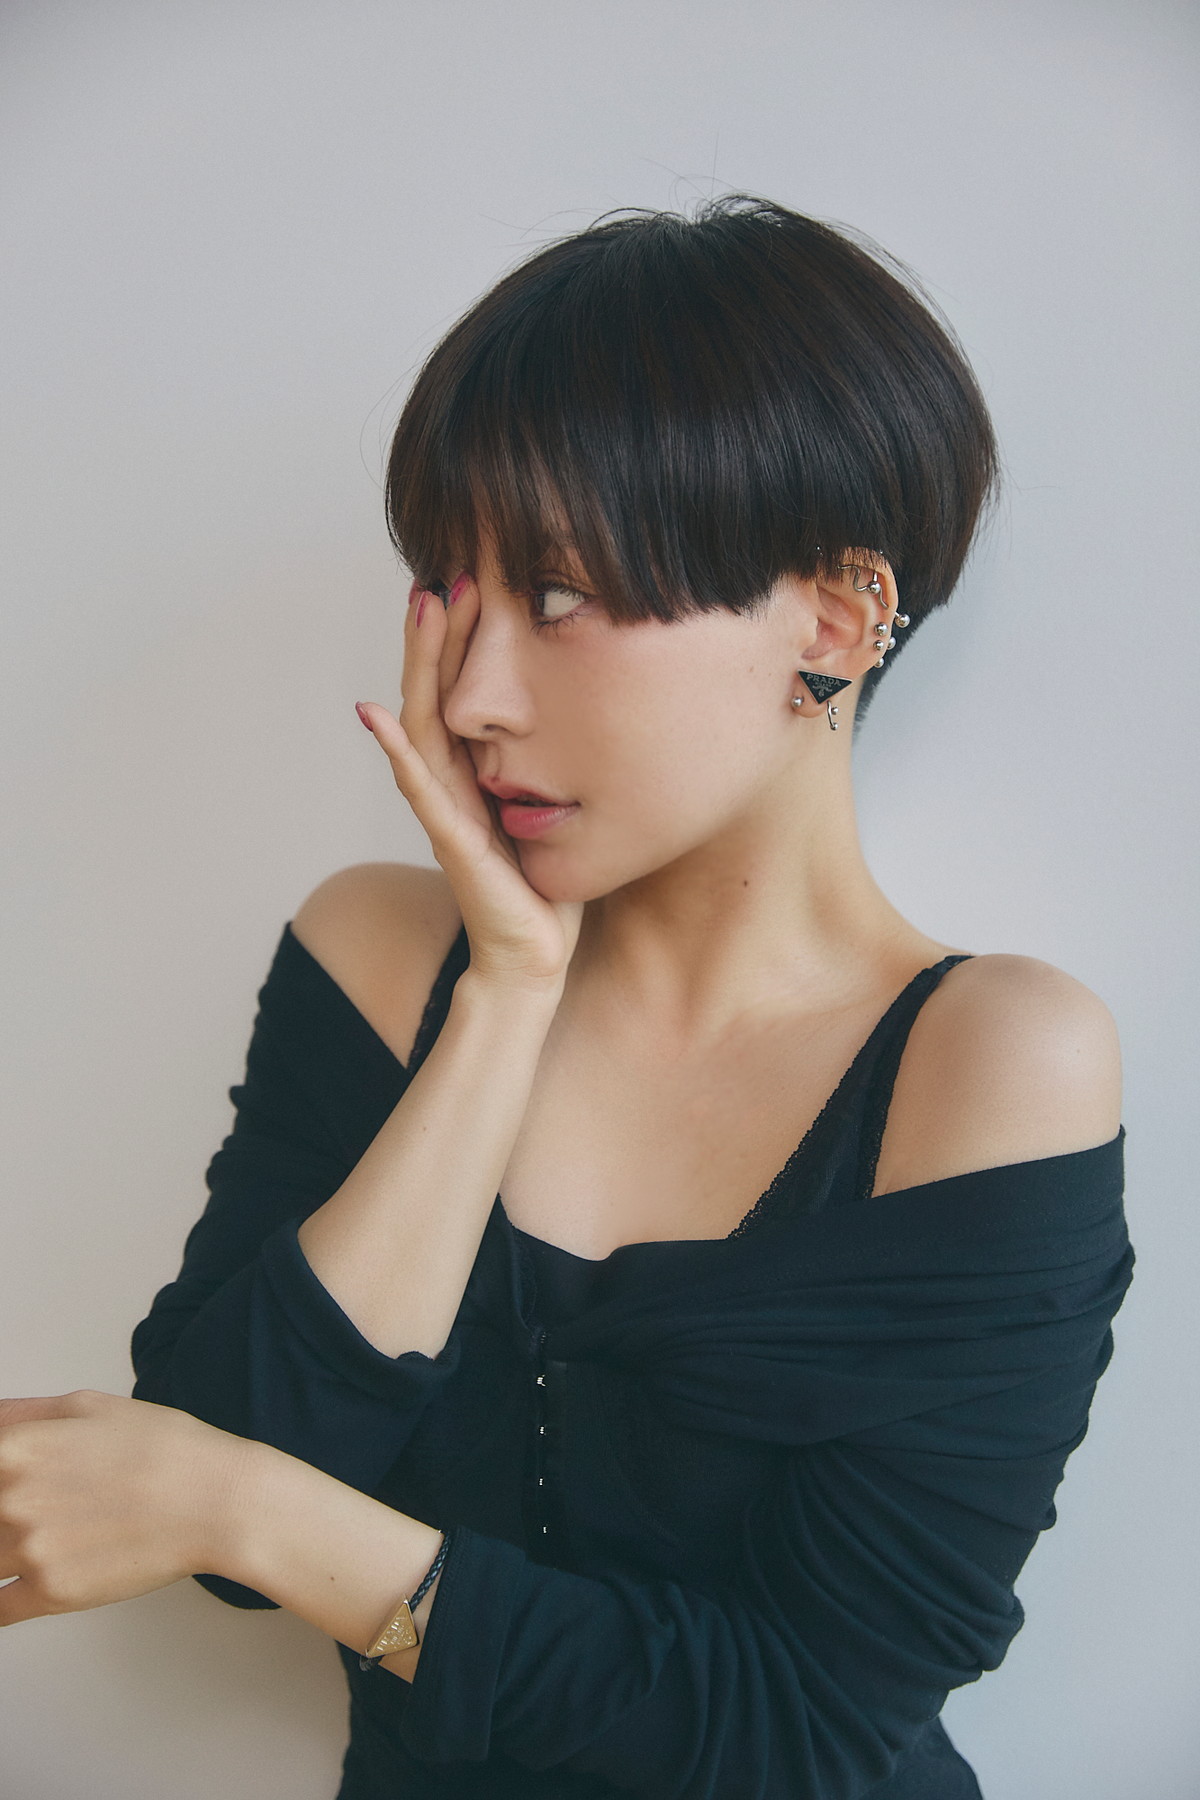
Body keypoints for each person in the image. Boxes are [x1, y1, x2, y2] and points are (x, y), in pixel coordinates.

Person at [0, 196, 1132, 1800]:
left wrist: (254, 1511)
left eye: (560, 596)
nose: (473, 698)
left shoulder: (992, 1064)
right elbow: (212, 1505)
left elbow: (801, 1735)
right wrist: (507, 998)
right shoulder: (380, 958)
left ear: (833, 621)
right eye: (457, 595)